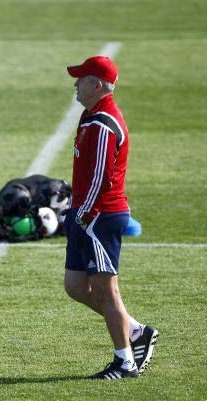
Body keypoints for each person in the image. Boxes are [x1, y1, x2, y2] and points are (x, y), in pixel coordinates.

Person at [63, 56, 158, 380]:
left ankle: (125, 362)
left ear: (97, 85)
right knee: (76, 286)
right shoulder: (90, 116)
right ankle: (134, 331)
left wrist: (84, 214)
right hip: (85, 213)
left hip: (99, 217)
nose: (75, 83)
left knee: (107, 290)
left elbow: (101, 177)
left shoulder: (103, 123)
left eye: (81, 78)